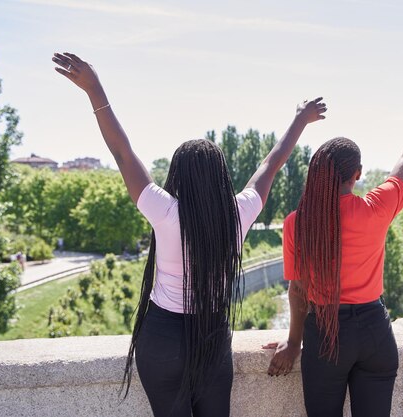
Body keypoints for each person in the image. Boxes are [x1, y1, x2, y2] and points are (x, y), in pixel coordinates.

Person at [52, 51, 327, 417]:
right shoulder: (238, 213)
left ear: (178, 175)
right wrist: (299, 120)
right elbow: (270, 165)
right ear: (221, 176)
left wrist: (95, 90)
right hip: (212, 337)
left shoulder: (165, 211)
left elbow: (122, 152)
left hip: (162, 338)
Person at [264, 59, 403, 417]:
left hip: (326, 335)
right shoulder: (377, 207)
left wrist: (294, 343)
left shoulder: (298, 223)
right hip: (376, 333)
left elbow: (298, 291)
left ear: (315, 173)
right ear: (358, 174)